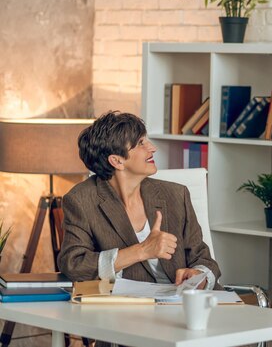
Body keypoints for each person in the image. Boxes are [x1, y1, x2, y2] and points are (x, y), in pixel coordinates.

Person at [58, 111, 220, 290]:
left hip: (184, 302)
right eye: (141, 143)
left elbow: (204, 259)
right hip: (128, 308)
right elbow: (74, 264)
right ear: (117, 161)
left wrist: (199, 276)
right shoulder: (81, 200)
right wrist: (142, 250)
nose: (152, 148)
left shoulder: (175, 194)